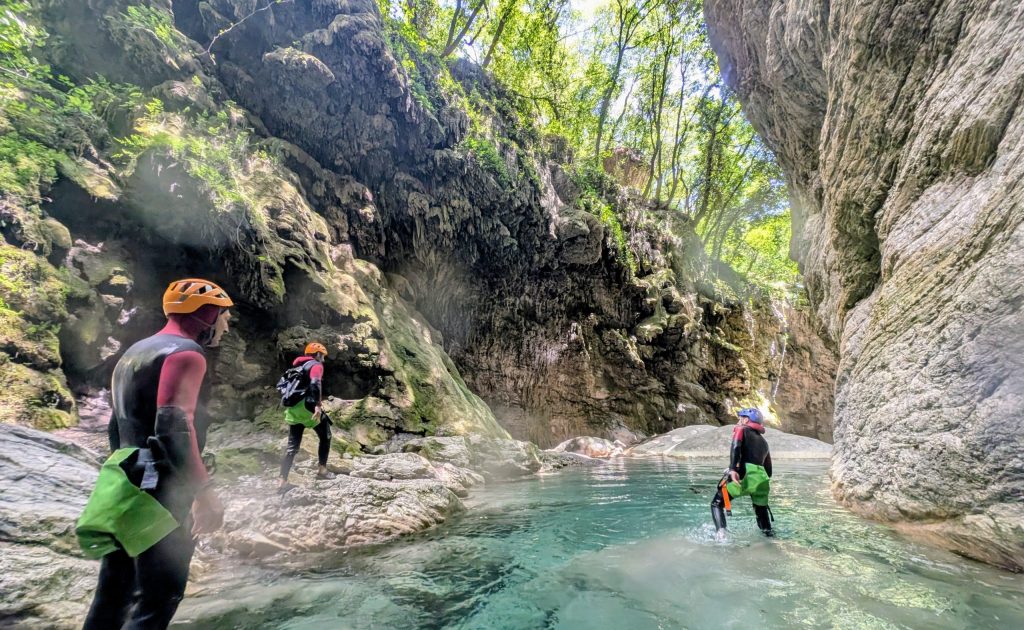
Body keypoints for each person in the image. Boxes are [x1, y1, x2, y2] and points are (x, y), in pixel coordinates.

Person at [81, 278, 233, 629]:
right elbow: (174, 425)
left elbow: (116, 426)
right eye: (223, 316)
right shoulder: (187, 354)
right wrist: (203, 492)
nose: (225, 325)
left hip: (123, 482)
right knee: (159, 596)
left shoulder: (132, 354)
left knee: (114, 593)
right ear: (205, 313)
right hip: (161, 487)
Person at [278, 342, 335, 493]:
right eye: (322, 355)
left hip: (293, 410)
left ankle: (281, 482)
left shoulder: (297, 367)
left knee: (292, 448)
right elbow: (315, 383)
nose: (323, 359)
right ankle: (322, 470)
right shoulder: (316, 365)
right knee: (326, 436)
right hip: (307, 409)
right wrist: (317, 405)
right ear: (317, 354)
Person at [710, 408, 774, 538]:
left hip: (744, 474)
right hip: (761, 480)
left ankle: (721, 536)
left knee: (717, 503)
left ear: (746, 419)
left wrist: (733, 469)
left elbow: (736, 446)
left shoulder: (741, 429)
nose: (739, 421)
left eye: (740, 418)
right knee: (761, 510)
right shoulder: (764, 443)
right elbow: (769, 471)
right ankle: (769, 537)